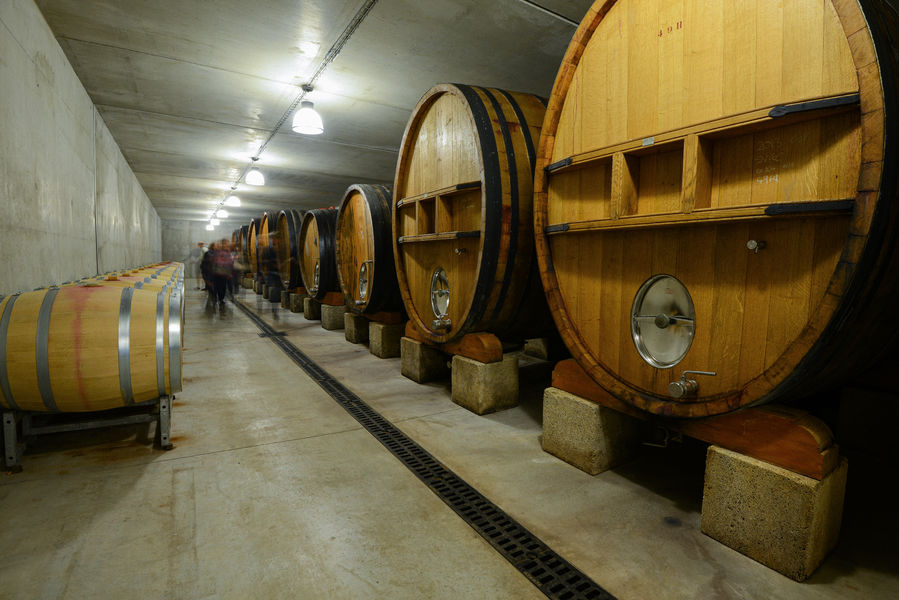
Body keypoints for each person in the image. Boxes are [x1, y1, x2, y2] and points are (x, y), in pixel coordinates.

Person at [211, 240, 234, 312]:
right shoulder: (217, 252)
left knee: (223, 287)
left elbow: (230, 262)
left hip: (224, 273)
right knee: (217, 287)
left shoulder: (228, 252)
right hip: (217, 273)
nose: (226, 246)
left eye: (227, 244)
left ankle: (221, 299)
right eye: (224, 244)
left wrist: (230, 271)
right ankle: (216, 299)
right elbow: (215, 262)